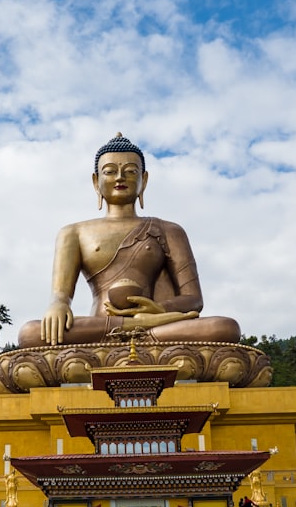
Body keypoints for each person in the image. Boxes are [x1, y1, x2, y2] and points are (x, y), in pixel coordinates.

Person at [17, 134, 240, 348]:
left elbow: (193, 299)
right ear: (96, 182)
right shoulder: (73, 232)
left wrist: (159, 309)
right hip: (100, 328)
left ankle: (139, 330)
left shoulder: (169, 230)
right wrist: (58, 305)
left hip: (157, 326)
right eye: (110, 171)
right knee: (30, 333)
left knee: (224, 328)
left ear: (144, 180)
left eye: (131, 171)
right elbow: (60, 294)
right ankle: (135, 328)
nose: (120, 178)